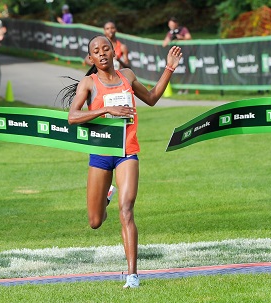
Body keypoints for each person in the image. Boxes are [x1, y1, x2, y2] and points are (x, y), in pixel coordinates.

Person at [60, 35, 183, 288]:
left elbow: (151, 98)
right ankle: (106, 197)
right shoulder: (89, 82)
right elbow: (73, 116)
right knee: (95, 221)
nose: (102, 53)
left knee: (126, 210)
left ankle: (133, 276)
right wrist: (106, 110)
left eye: (106, 48)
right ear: (91, 58)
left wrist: (169, 68)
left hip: (127, 151)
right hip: (101, 153)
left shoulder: (127, 75)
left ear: (114, 51)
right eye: (96, 51)